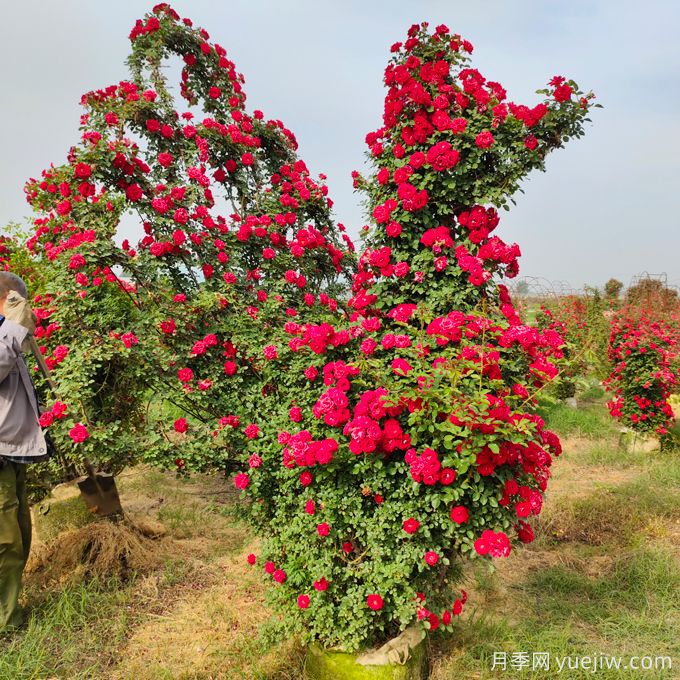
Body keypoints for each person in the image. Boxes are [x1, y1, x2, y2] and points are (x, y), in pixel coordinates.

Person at [0, 272, 48, 633]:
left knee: (20, 534)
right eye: (16, 299)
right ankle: (6, 623)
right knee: (6, 543)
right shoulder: (7, 333)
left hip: (12, 451)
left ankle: (11, 610)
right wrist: (14, 330)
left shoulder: (9, 333)